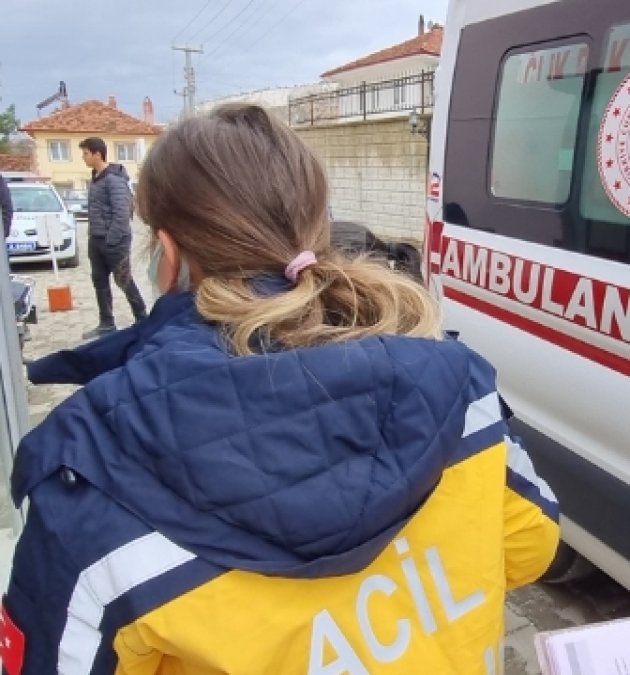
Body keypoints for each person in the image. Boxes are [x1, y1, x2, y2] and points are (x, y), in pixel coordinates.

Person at [5, 104, 560, 674]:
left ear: (167, 256)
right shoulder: (455, 386)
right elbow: (529, 545)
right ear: (317, 230)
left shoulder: (94, 480)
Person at [79, 136, 147, 339]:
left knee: (124, 281)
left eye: (85, 153)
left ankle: (143, 319)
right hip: (96, 240)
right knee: (99, 282)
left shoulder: (114, 179)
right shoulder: (95, 178)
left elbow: (122, 212)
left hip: (113, 242)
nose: (83, 157)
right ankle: (107, 323)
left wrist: (111, 240)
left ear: (97, 154)